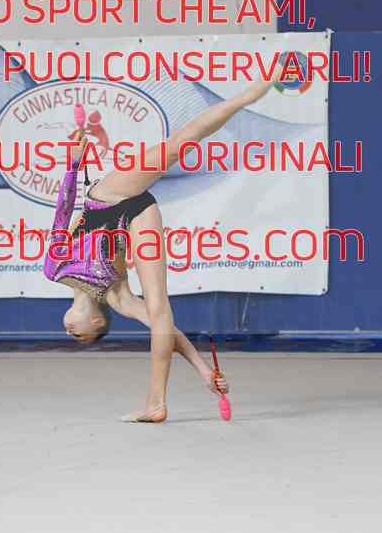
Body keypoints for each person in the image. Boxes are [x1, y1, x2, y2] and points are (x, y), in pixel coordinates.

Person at [44, 73, 280, 422]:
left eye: (77, 338)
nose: (72, 335)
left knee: (176, 146)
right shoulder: (118, 298)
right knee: (159, 312)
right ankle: (156, 404)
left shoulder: (55, 270)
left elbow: (63, 212)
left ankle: (248, 96)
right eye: (83, 338)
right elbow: (173, 334)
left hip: (106, 198)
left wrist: (74, 163)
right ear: (97, 321)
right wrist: (204, 370)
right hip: (136, 217)